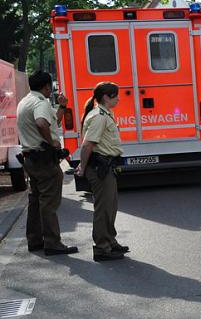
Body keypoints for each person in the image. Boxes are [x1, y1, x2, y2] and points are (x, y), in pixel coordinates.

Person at [16, 71, 78, 255]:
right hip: (44, 160)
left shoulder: (25, 101)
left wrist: (62, 107)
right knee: (49, 203)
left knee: (35, 201)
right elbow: (42, 123)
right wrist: (52, 143)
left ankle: (34, 240)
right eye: (50, 87)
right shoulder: (40, 102)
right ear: (47, 87)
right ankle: (52, 243)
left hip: (30, 158)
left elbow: (52, 123)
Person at [75, 82, 127, 262]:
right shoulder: (99, 117)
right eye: (116, 95)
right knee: (103, 209)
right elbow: (88, 144)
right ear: (106, 97)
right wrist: (82, 166)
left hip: (106, 166)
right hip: (99, 168)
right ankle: (102, 248)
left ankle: (110, 241)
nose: (119, 98)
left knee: (110, 206)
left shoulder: (106, 114)